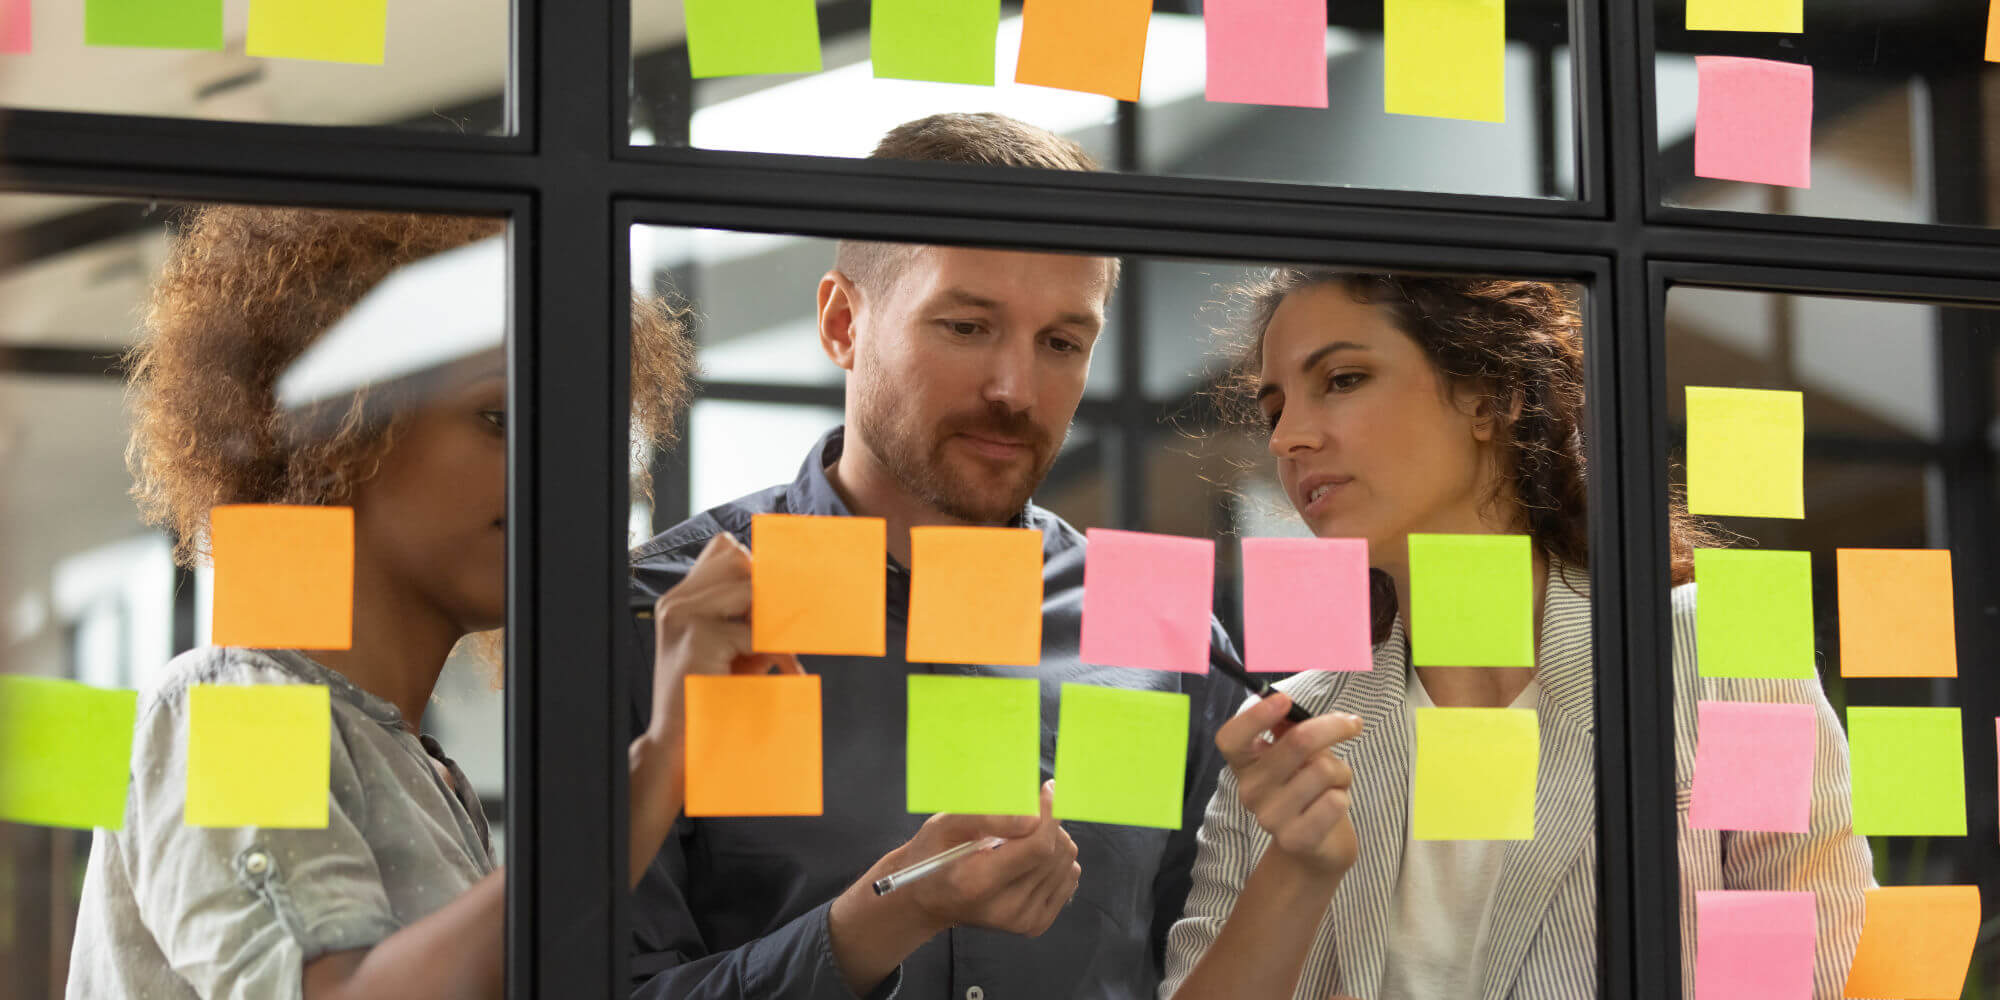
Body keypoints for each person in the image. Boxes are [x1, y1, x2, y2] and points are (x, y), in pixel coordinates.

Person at [66, 205, 776, 998]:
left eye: (585, 439)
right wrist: (665, 755)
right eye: (499, 417)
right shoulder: (231, 709)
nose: (563, 477)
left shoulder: (422, 770)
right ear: (337, 433)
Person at [626, 113, 1244, 1000]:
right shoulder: (669, 616)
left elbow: (1208, 968)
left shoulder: (1152, 622)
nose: (1015, 391)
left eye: (1062, 342)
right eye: (966, 326)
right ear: (843, 323)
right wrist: (874, 921)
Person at [1160, 271, 1873, 1000]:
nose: (1289, 438)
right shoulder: (1291, 736)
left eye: (1342, 380)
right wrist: (1298, 869)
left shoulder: (1716, 646)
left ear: (1491, 398)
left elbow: (1813, 974)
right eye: (1273, 409)